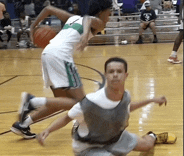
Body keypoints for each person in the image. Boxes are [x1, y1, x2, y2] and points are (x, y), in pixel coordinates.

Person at [10, 0, 112, 139]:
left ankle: (23, 124)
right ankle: (32, 102)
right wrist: (85, 37)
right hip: (61, 55)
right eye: (109, 13)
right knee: (81, 103)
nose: (109, 17)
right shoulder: (98, 22)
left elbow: (49, 9)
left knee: (60, 101)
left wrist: (33, 27)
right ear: (101, 12)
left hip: (48, 53)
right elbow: (89, 19)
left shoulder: (72, 18)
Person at [37, 57, 177, 156]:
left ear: (126, 75)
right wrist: (48, 130)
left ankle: (153, 136)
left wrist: (151, 99)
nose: (115, 75)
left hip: (114, 137)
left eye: (119, 71)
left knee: (147, 146)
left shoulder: (124, 96)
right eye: (111, 72)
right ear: (106, 75)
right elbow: (66, 118)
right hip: (89, 147)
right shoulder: (90, 102)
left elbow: (128, 107)